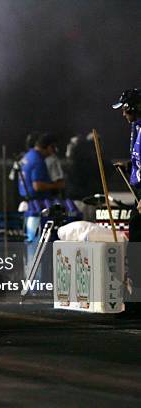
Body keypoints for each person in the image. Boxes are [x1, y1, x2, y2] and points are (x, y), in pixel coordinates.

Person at [112, 88, 141, 310]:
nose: (123, 113)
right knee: (135, 247)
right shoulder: (137, 127)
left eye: (125, 108)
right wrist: (130, 167)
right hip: (138, 196)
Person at [18, 133, 65, 200]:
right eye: (54, 147)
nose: (54, 151)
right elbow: (37, 186)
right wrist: (57, 185)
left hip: (26, 200)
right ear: (49, 147)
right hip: (36, 203)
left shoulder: (28, 155)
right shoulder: (37, 159)